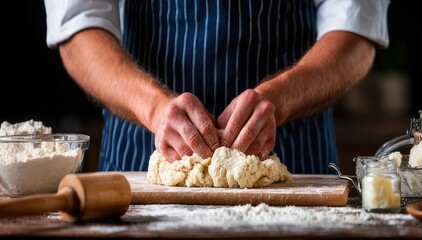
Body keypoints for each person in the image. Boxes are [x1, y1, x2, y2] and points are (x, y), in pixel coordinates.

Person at [44, 0, 390, 174]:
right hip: (142, 166)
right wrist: (153, 108)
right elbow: (79, 26)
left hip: (293, 164)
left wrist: (282, 97)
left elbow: (355, 30)